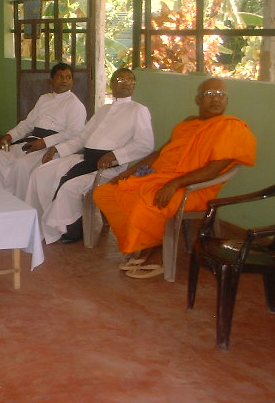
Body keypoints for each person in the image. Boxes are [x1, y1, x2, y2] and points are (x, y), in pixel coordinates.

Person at [94, 77, 256, 278]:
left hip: (194, 188)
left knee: (146, 201)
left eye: (221, 95)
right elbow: (160, 153)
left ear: (227, 101)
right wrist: (129, 171)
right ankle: (143, 243)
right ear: (198, 99)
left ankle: (155, 253)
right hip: (161, 179)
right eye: (209, 94)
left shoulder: (231, 128)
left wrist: (174, 183)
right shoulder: (187, 124)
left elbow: (214, 170)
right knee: (106, 192)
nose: (216, 99)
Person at [25, 68, 154, 244]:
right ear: (112, 84)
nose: (127, 83)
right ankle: (41, 223)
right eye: (121, 80)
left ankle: (70, 231)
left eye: (130, 80)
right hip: (86, 159)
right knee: (41, 174)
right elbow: (82, 138)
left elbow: (145, 144)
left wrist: (114, 155)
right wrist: (57, 149)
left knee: (69, 186)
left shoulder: (138, 110)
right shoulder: (104, 110)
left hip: (108, 167)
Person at [0, 63, 86, 200]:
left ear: (73, 81)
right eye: (60, 77)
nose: (64, 80)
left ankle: (20, 206)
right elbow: (28, 124)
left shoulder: (75, 104)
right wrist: (10, 135)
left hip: (52, 148)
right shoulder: (44, 99)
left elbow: (74, 132)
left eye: (68, 77)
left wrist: (45, 142)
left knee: (21, 166)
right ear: (51, 80)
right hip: (33, 142)